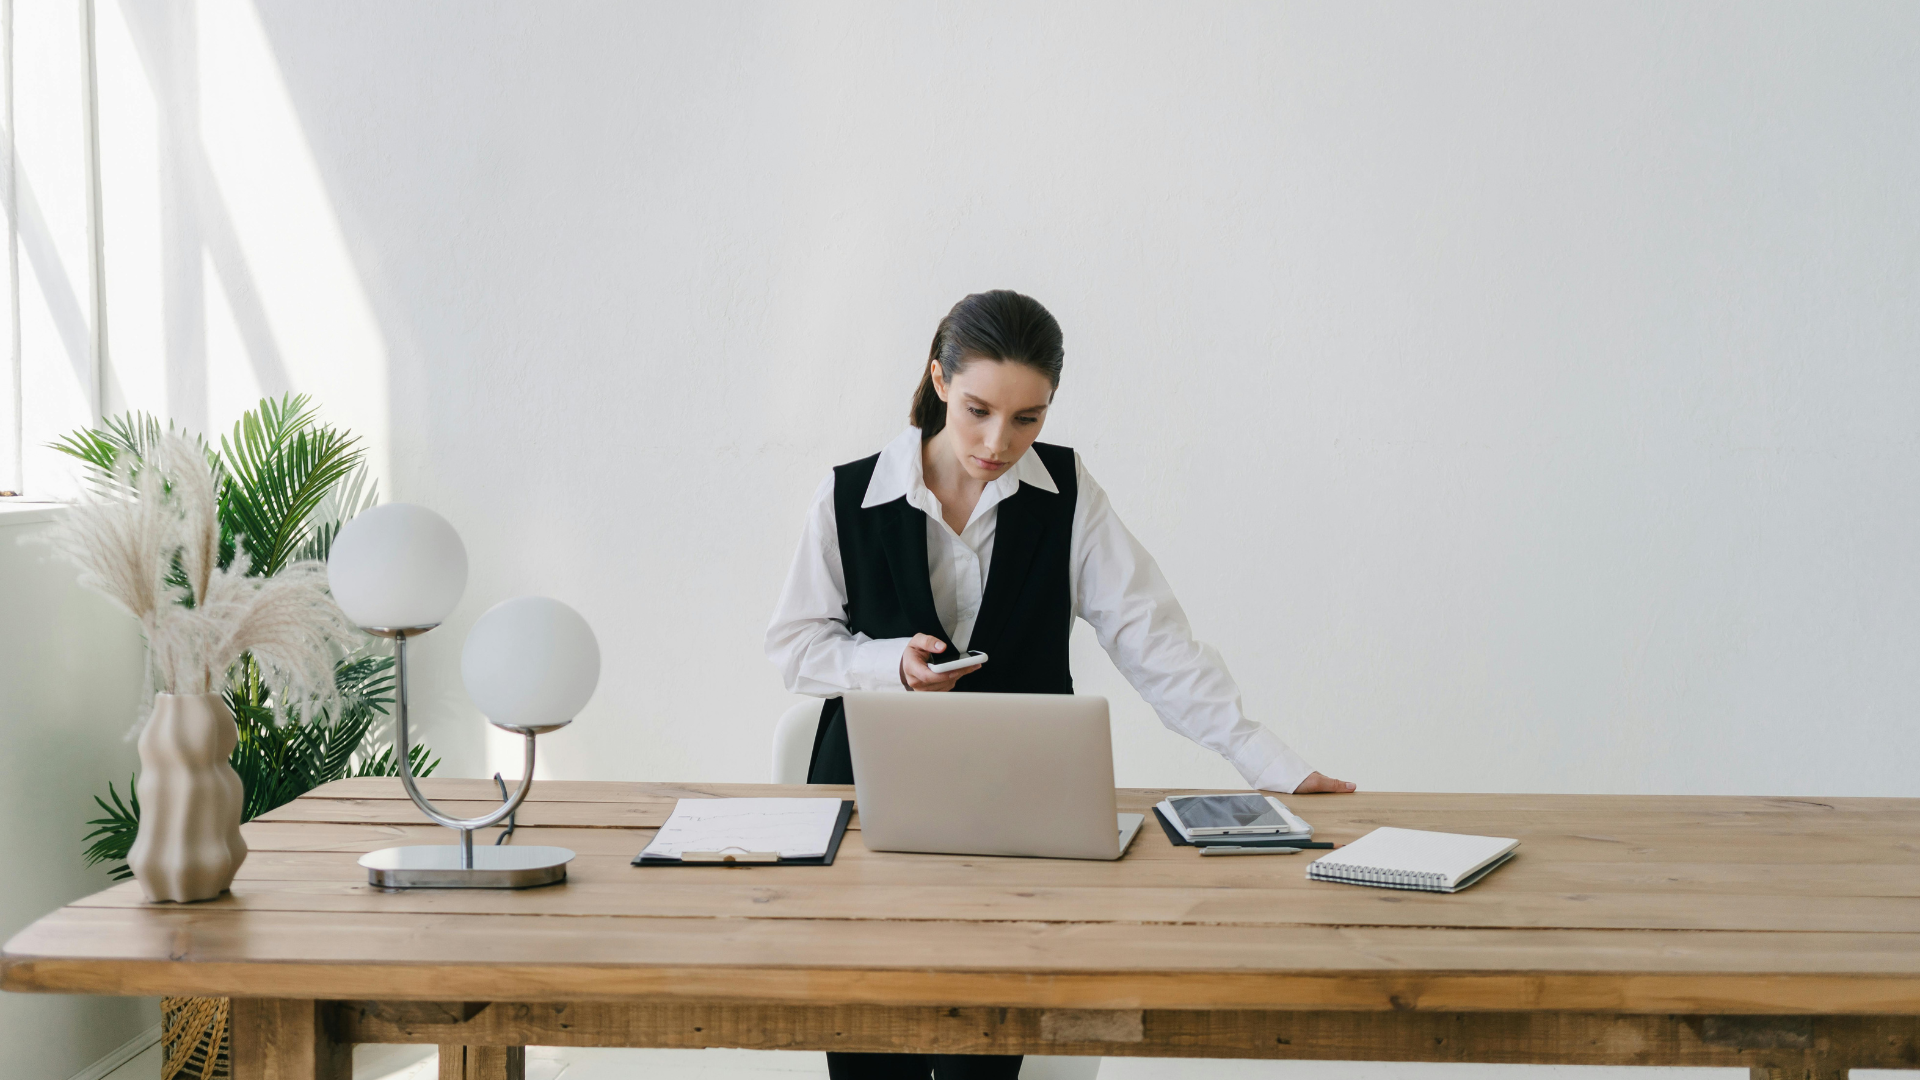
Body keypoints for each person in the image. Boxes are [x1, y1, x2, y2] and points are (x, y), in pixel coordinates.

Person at [764, 289, 1354, 1080]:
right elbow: (795, 646)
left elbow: (1157, 645)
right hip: (872, 811)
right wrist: (886, 666)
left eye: (1026, 419)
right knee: (875, 1049)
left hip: (1016, 823)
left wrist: (1274, 767)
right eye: (977, 409)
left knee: (986, 1055)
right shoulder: (848, 496)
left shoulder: (1070, 498)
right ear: (939, 380)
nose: (997, 441)